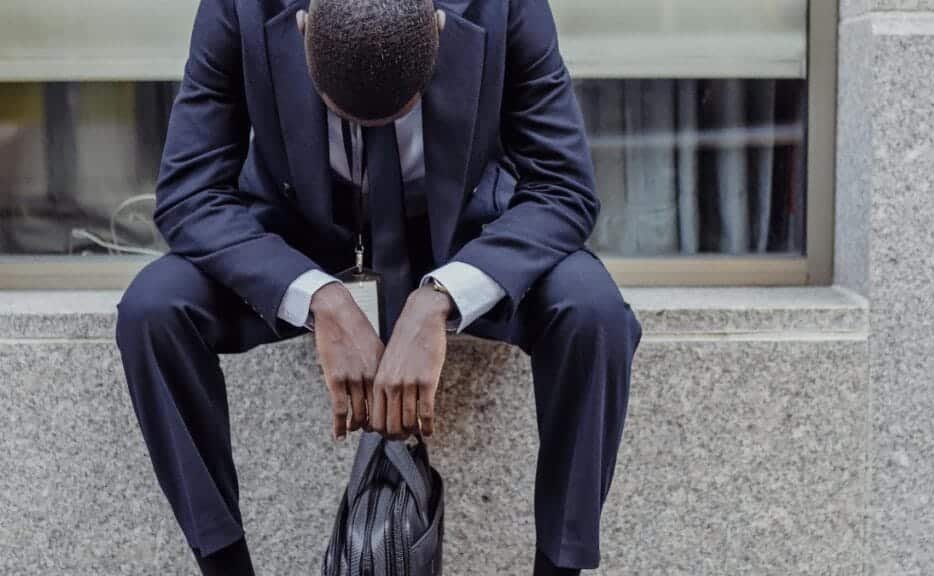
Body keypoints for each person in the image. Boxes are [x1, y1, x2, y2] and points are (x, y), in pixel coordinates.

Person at [114, 0, 641, 574]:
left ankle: (559, 568)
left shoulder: (504, 7)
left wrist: (442, 298)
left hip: (469, 240)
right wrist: (317, 296)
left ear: (439, 31)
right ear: (303, 29)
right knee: (152, 309)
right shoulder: (240, 8)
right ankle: (223, 566)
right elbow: (189, 195)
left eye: (401, 108)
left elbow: (564, 188)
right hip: (296, 242)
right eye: (341, 109)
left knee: (594, 310)